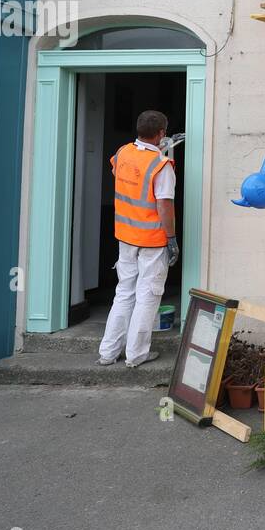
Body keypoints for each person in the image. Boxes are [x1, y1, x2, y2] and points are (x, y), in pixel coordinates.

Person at [97, 110, 180, 368]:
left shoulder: (123, 153)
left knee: (124, 293)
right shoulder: (162, 166)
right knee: (148, 295)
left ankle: (108, 353)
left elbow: (127, 176)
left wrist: (155, 150)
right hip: (152, 240)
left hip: (126, 236)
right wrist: (172, 238)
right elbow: (164, 205)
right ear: (161, 133)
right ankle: (136, 355)